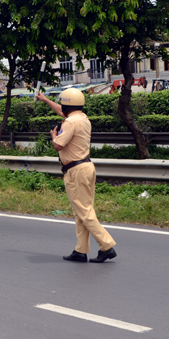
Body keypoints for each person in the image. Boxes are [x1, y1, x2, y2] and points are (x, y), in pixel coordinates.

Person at [36, 88, 117, 263]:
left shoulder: (70, 123)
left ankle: (107, 246)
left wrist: (54, 135)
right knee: (81, 211)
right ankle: (81, 251)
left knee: (84, 212)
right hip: (86, 167)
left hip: (75, 171)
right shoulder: (83, 118)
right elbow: (61, 110)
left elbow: (58, 145)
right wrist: (44, 99)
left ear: (67, 105)